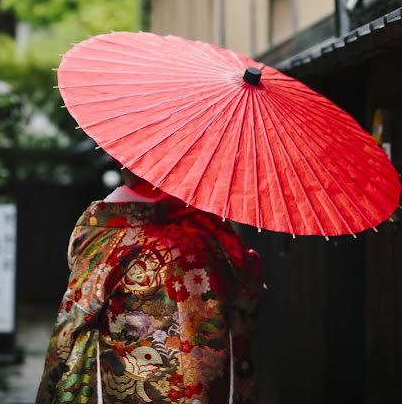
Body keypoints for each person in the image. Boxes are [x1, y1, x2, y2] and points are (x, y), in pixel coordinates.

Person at [36, 166, 265, 404]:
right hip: (208, 383)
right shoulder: (211, 230)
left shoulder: (108, 233)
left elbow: (74, 318)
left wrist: (50, 387)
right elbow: (249, 296)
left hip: (134, 385)